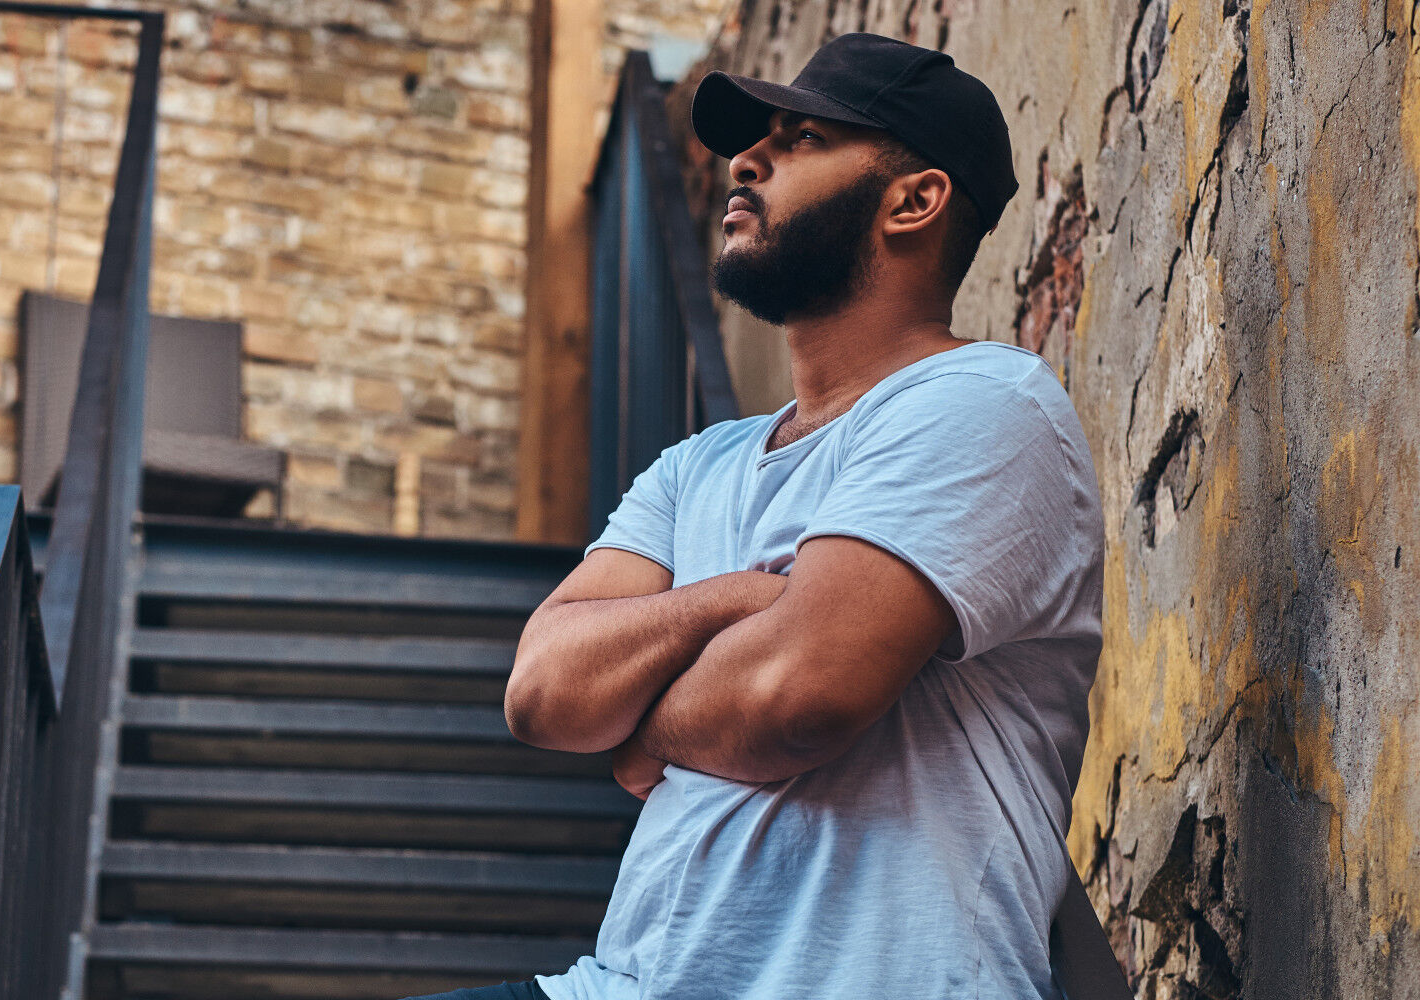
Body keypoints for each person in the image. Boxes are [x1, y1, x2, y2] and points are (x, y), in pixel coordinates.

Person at [402, 31, 1105, 1000]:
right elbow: (544, 690)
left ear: (914, 199)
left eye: (804, 137)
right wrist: (728, 600)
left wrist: (641, 721)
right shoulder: (699, 464)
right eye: (756, 139)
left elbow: (793, 697)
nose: (745, 160)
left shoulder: (981, 402)